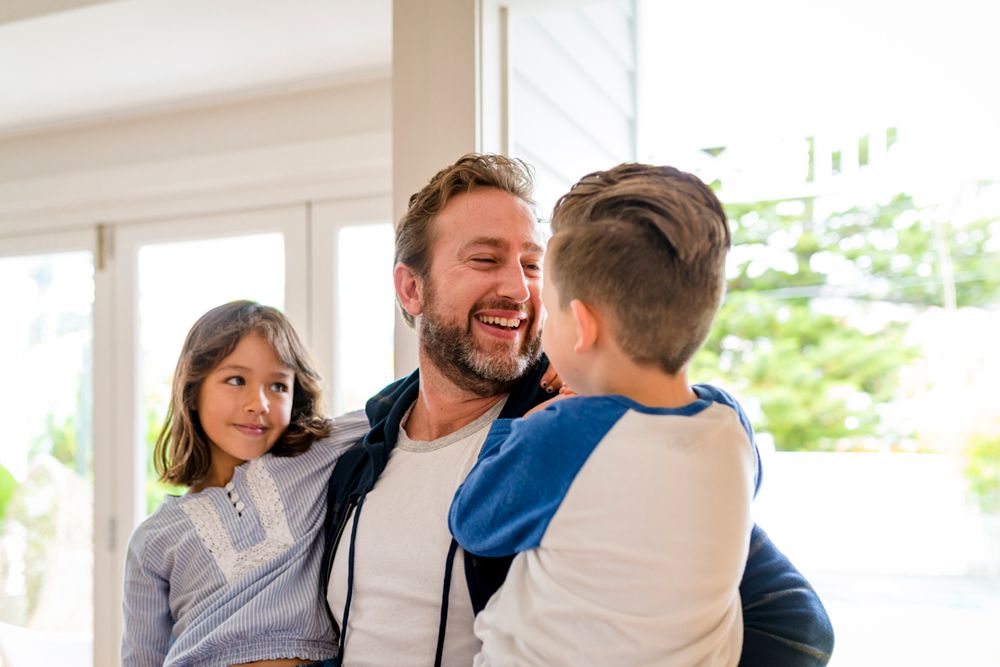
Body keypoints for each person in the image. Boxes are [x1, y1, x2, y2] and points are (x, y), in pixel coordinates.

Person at [320, 154, 834, 667]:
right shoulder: (355, 454)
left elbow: (797, 630)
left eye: (532, 265)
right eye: (485, 259)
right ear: (412, 288)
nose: (519, 290)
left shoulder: (607, 436)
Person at [448, 163, 757, 665]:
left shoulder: (564, 431)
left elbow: (473, 522)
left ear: (582, 327)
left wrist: (526, 425)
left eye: (549, 307)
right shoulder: (730, 427)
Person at [121, 301, 368, 667]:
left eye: (278, 385)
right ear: (193, 391)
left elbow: (406, 401)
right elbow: (140, 660)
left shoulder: (311, 459)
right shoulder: (154, 539)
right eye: (236, 380)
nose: (259, 403)